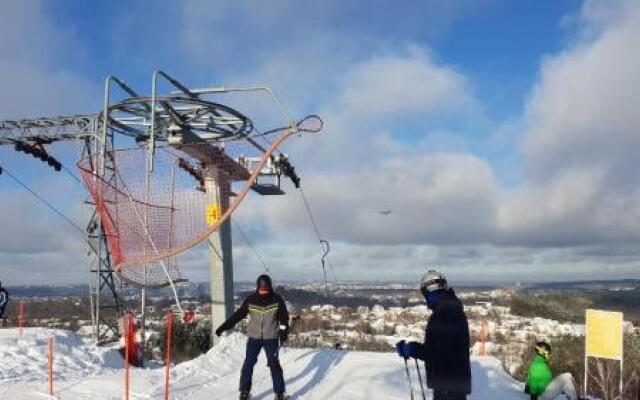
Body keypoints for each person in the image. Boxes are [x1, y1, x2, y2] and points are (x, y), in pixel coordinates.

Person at [396, 269, 472, 400]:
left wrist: (412, 349)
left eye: (424, 293)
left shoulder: (446, 313)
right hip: (451, 385)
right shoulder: (450, 309)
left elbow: (439, 353)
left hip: (448, 387)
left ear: (430, 291)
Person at [215, 274, 289, 400]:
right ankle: (244, 392)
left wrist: (283, 333)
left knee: (274, 364)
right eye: (261, 290)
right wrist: (223, 327)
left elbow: (284, 318)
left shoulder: (277, 300)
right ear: (257, 287)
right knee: (248, 364)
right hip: (254, 338)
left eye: (265, 290)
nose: (263, 292)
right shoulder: (251, 300)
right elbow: (237, 316)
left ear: (270, 288)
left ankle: (280, 393)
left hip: (271, 338)